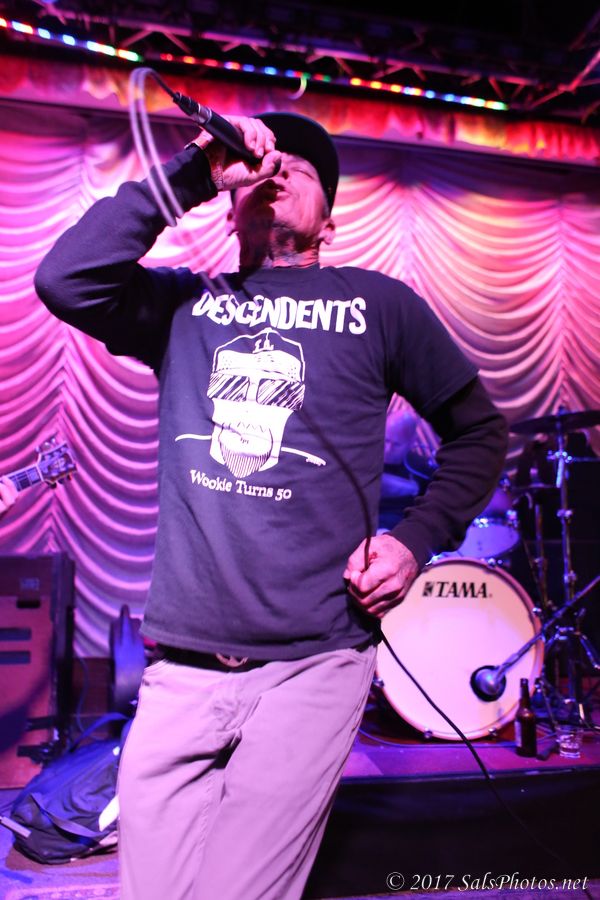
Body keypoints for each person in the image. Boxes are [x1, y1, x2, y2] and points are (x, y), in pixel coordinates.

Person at [35, 111, 508, 900]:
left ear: (331, 219)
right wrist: (194, 171)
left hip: (314, 663)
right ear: (229, 208)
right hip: (181, 667)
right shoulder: (183, 306)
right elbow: (66, 278)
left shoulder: (379, 306)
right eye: (265, 164)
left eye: (302, 170)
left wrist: (414, 540)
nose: (278, 171)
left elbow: (479, 433)